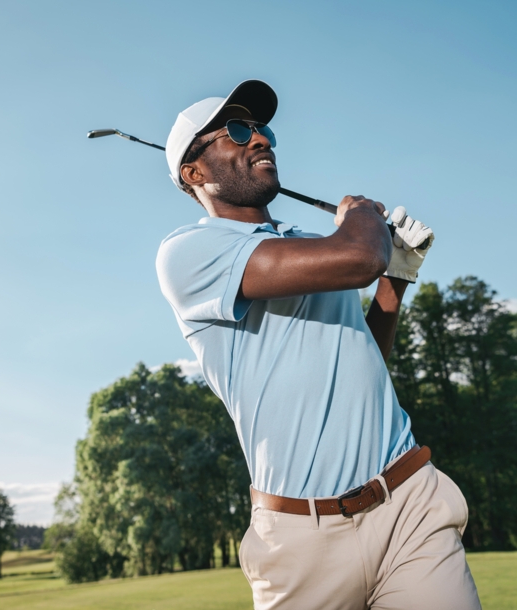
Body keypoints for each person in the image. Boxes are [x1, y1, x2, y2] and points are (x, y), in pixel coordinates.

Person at [156, 80, 481, 610]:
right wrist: (362, 215)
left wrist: (393, 282)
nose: (260, 140)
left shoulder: (311, 246)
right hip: (300, 537)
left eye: (263, 130)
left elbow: (362, 359)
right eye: (237, 131)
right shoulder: (189, 252)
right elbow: (358, 256)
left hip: (408, 505)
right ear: (194, 174)